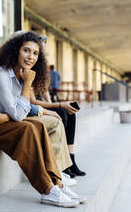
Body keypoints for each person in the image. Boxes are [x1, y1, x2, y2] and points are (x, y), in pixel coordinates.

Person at [0, 31, 86, 207]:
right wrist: (27, 85)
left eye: (35, 53)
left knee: (38, 127)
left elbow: (17, 111)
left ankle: (58, 184)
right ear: (16, 51)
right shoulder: (1, 75)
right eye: (26, 50)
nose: (30, 56)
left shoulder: (20, 74)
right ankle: (47, 190)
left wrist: (5, 117)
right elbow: (18, 114)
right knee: (27, 129)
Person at [32, 36, 86, 178]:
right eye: (40, 50)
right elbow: (30, 102)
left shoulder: (40, 68)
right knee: (61, 112)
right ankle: (61, 163)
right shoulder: (28, 67)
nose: (42, 54)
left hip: (38, 105)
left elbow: (44, 92)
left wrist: (53, 105)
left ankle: (71, 159)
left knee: (70, 113)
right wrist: (57, 106)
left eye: (43, 51)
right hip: (31, 108)